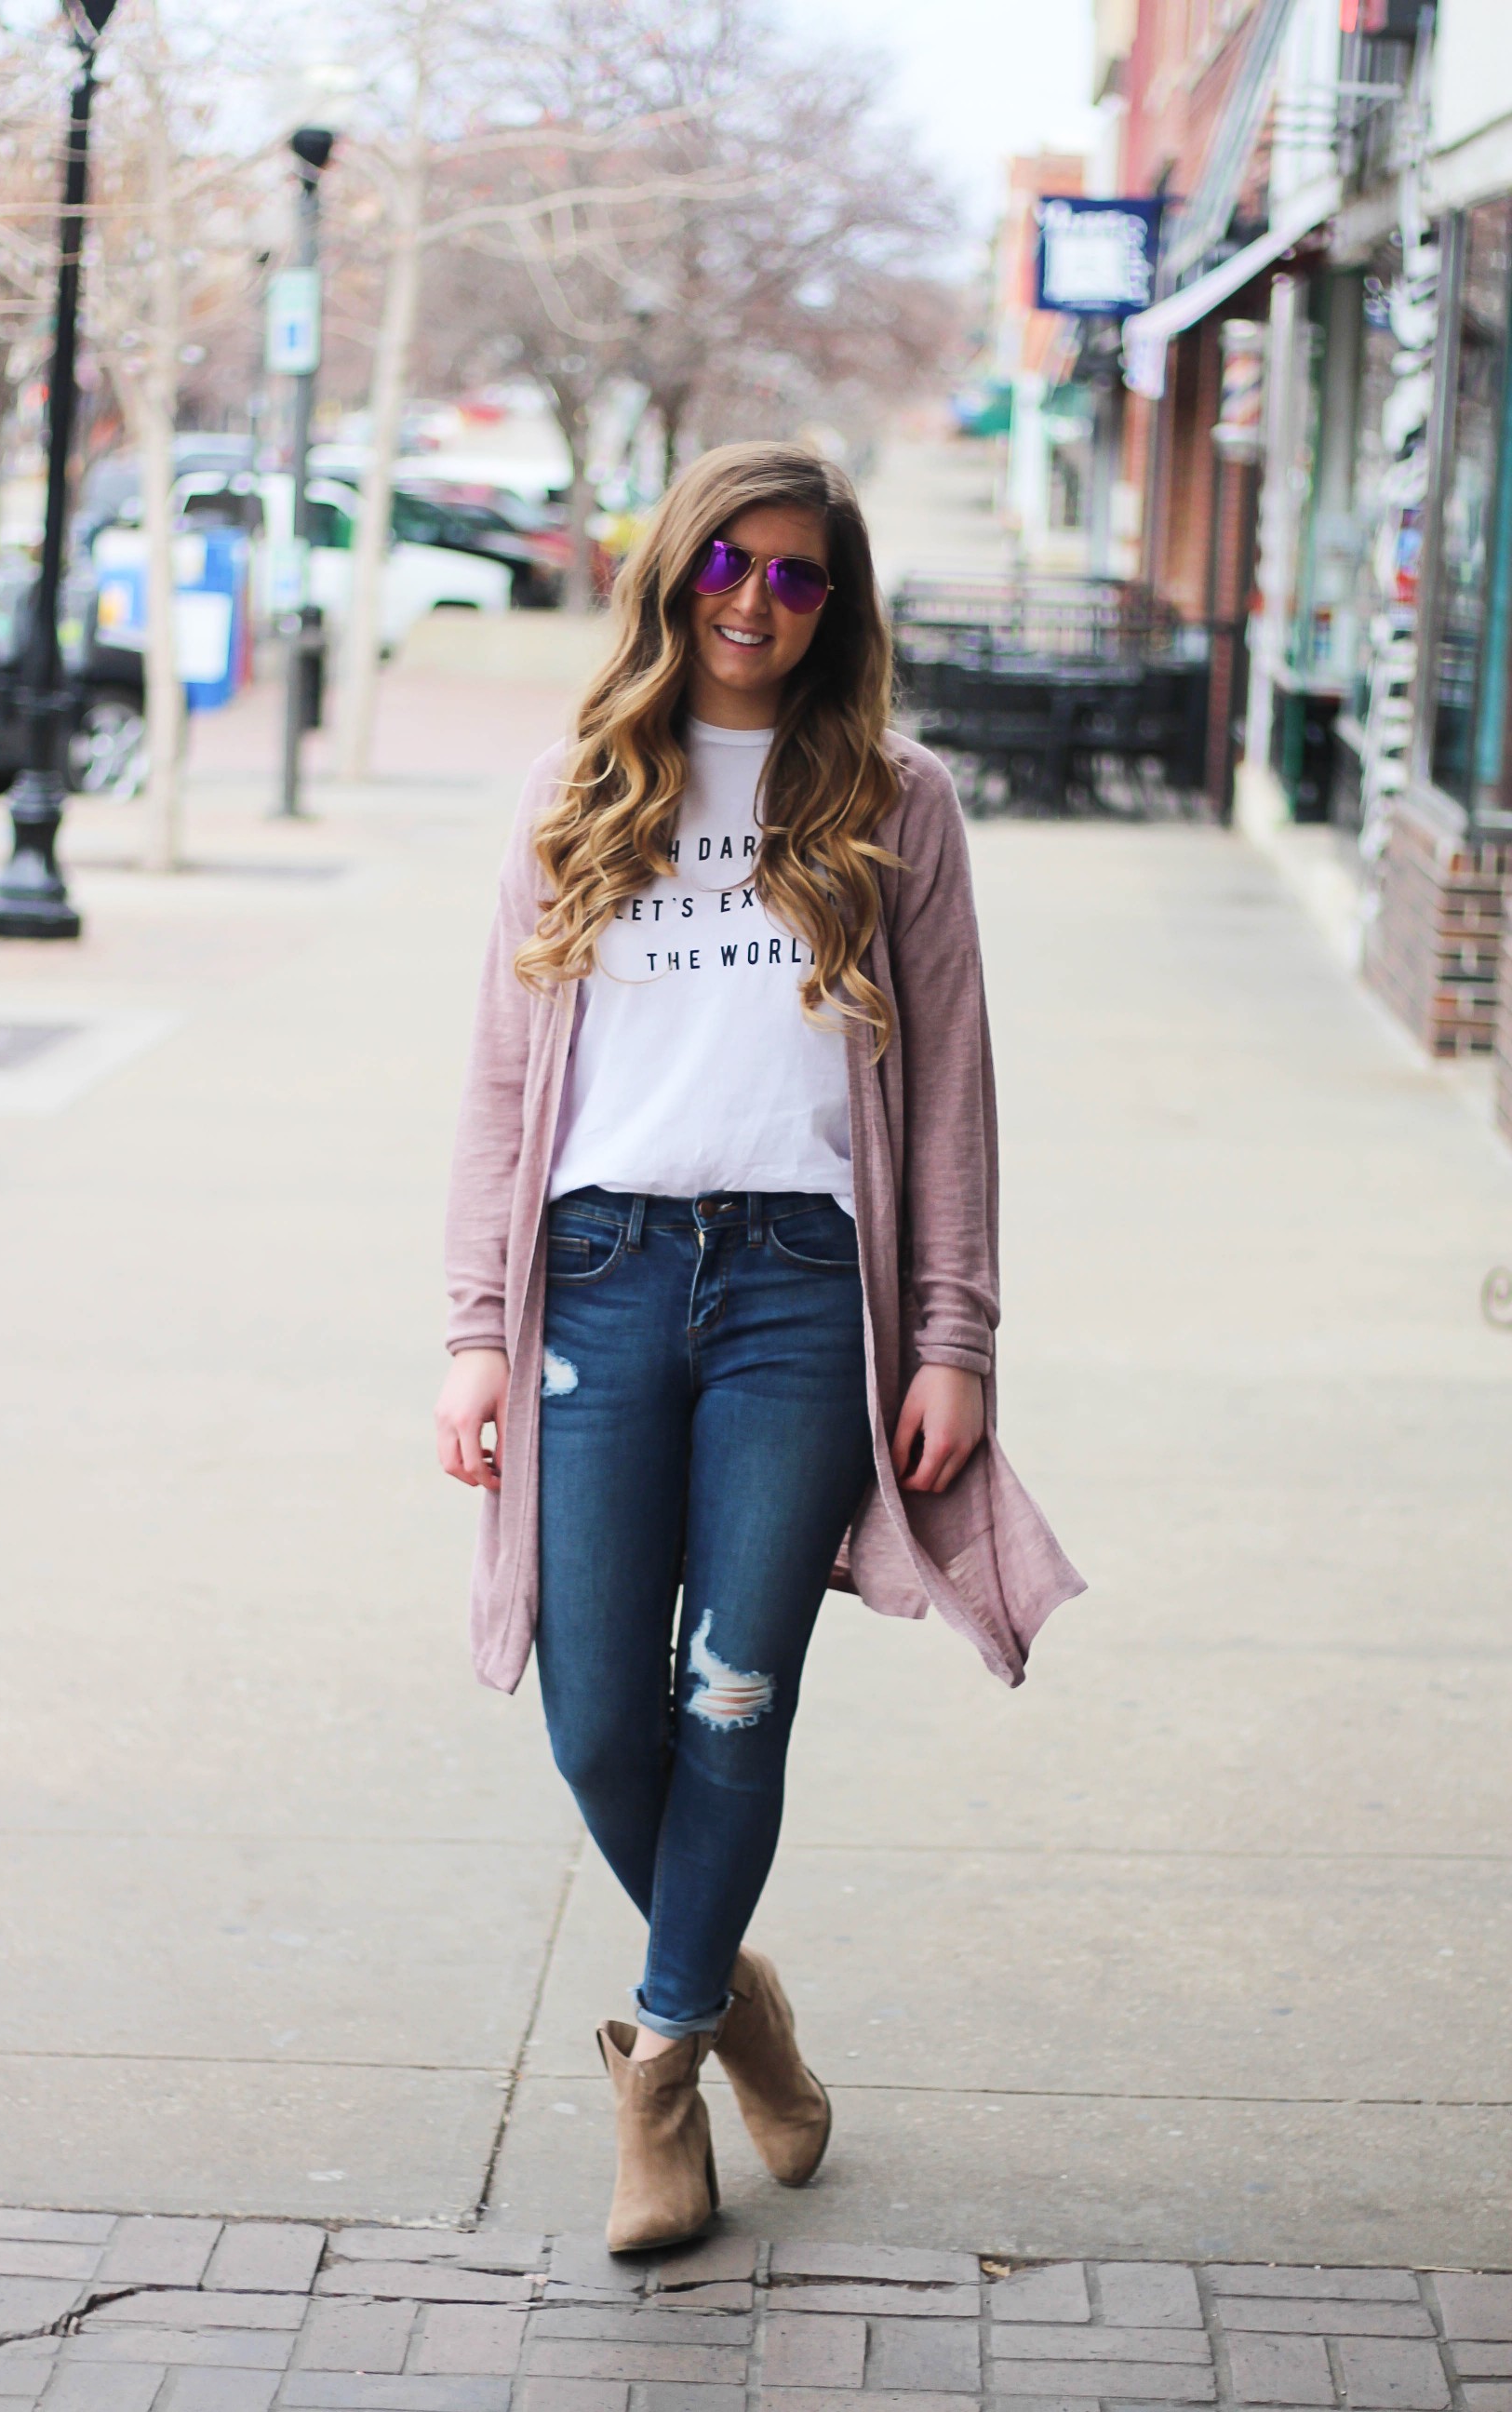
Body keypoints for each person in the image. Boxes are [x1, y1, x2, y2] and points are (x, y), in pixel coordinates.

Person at [436, 440, 1083, 2252]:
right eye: (731, 563)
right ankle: (737, 1996)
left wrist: (953, 1340)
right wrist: (476, 1331)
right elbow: (502, 1084)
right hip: (602, 1272)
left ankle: (661, 2068)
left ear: (836, 605)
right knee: (592, 1712)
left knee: (733, 1698)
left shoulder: (896, 800)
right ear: (670, 571)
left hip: (805, 1289)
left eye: (800, 578)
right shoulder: (579, 788)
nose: (757, 602)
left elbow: (949, 1090)